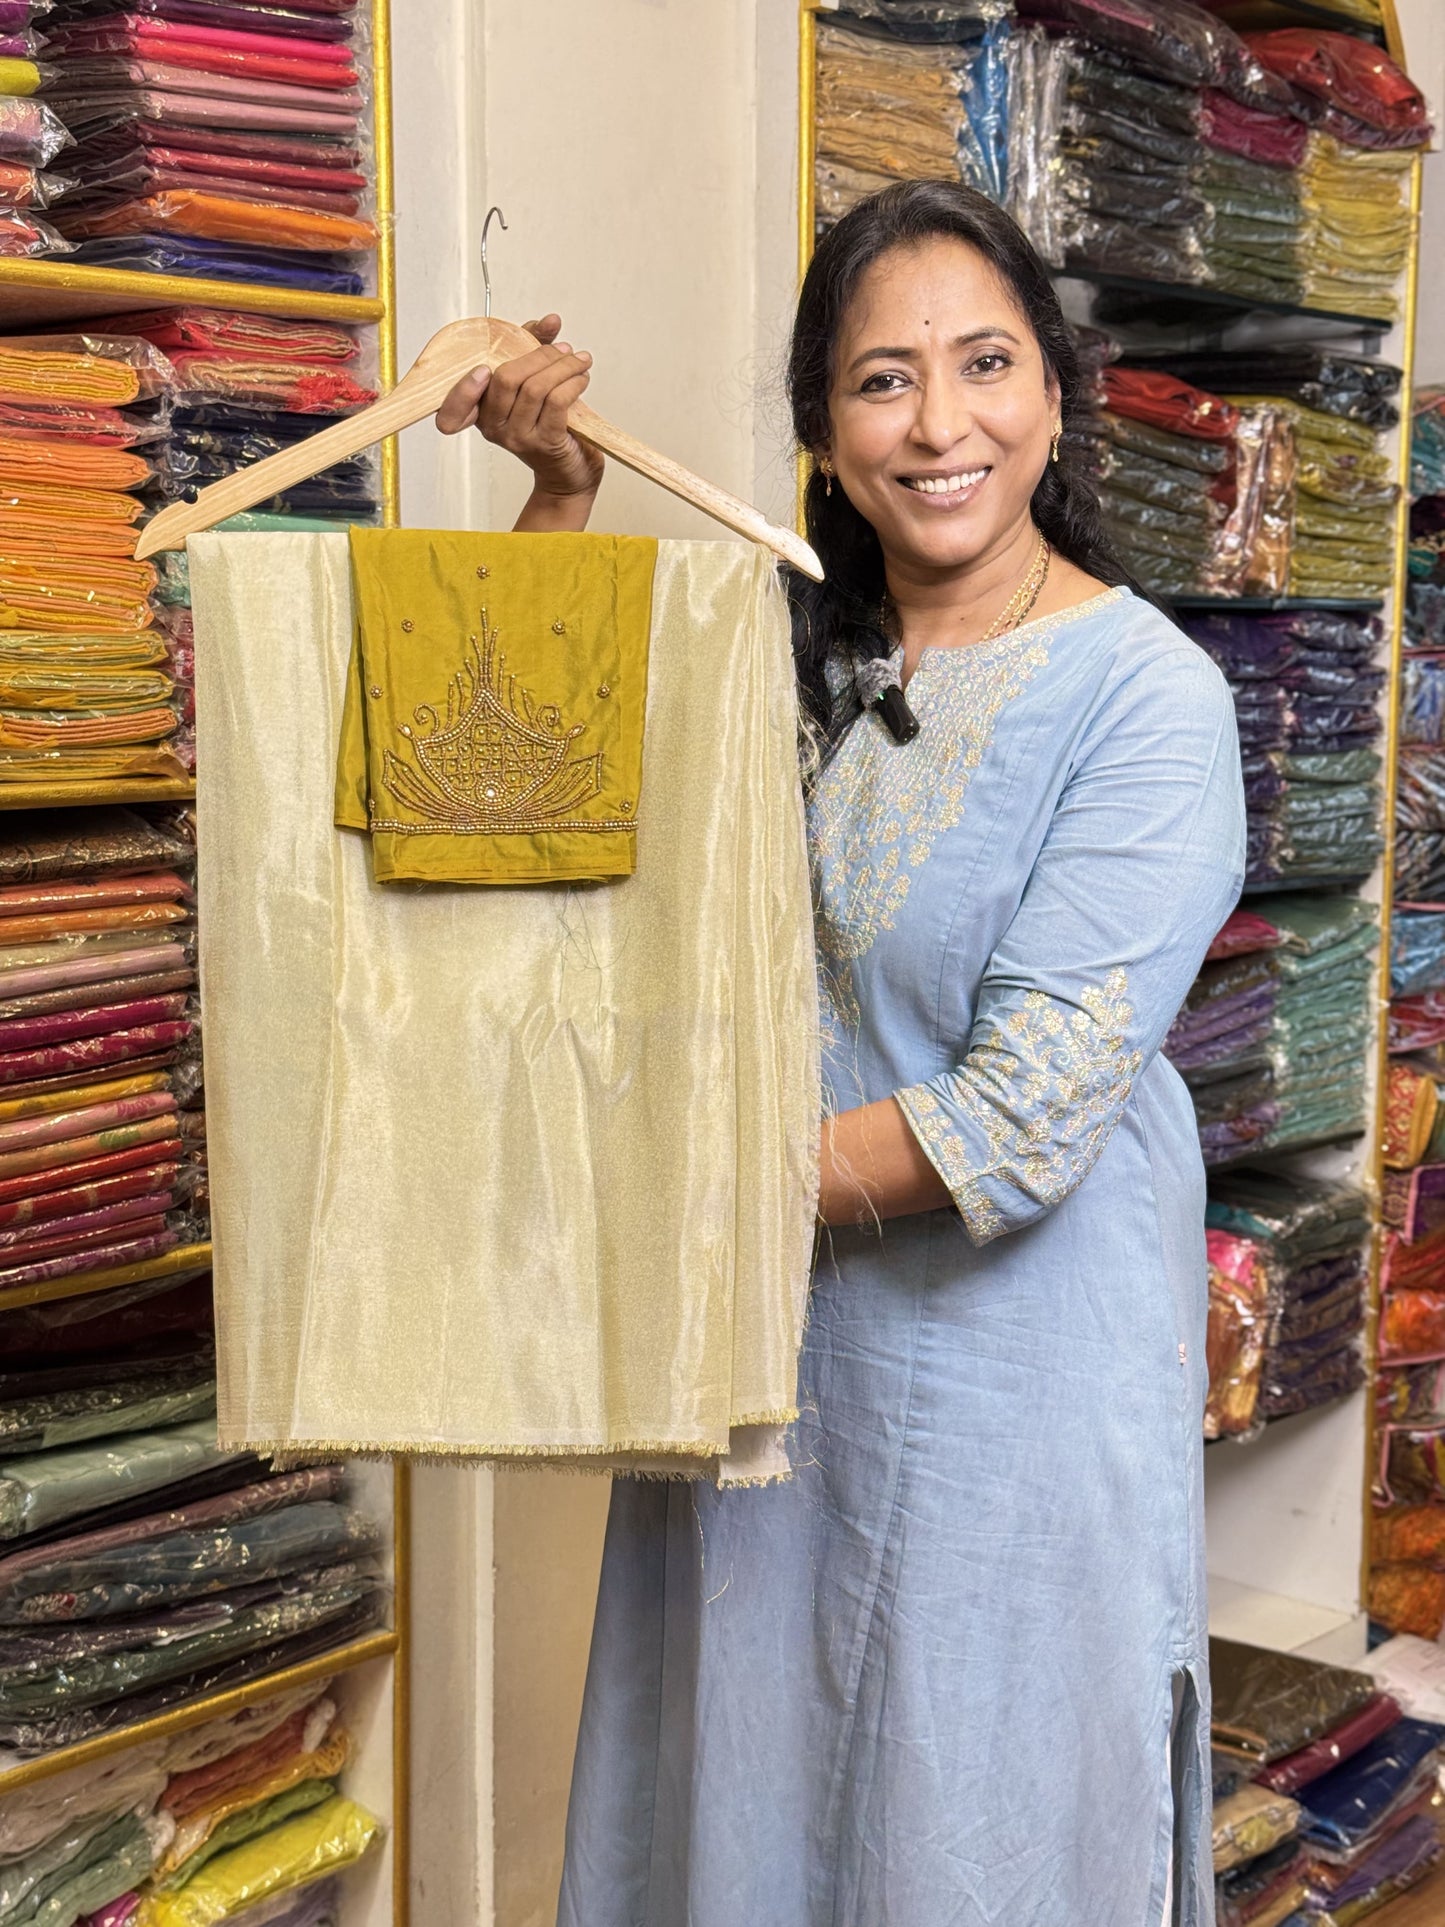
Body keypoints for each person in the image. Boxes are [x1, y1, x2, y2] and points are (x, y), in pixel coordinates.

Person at [437, 179, 1245, 1927]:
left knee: (968, 1825)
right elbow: (510, 798)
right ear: (818, 421)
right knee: (737, 1807)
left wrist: (677, 1188)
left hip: (1005, 1399)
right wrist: (559, 493)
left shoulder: (1145, 700)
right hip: (762, 1375)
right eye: (882, 379)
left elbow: (1021, 1122)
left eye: (984, 364)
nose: (939, 424)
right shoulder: (776, 649)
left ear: (1053, 393)